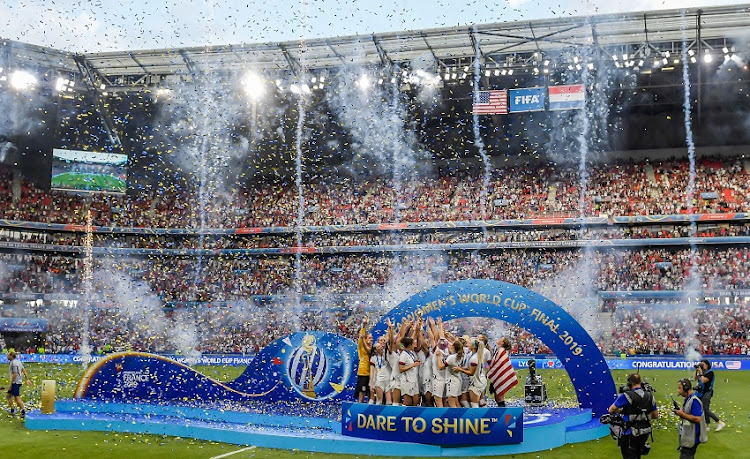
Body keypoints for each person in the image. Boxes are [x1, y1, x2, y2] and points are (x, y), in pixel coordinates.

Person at [608, 373, 658, 459]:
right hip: (644, 433)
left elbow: (611, 410)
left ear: (630, 384)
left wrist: (624, 411)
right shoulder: (650, 396)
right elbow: (655, 415)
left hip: (629, 434)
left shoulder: (627, 396)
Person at [674, 378, 708, 459]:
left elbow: (697, 418)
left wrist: (682, 414)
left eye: (679, 388)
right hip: (689, 436)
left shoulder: (694, 400)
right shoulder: (688, 399)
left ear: (686, 388)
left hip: (692, 437)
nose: (678, 391)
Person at [694, 360, 725, 432]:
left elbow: (704, 380)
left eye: (703, 364)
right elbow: (695, 378)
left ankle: (719, 422)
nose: (702, 366)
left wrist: (701, 373)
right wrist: (696, 371)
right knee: (703, 408)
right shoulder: (703, 372)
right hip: (700, 392)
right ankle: (707, 425)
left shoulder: (710, 372)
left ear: (707, 365)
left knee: (705, 409)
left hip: (707, 392)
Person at [6, 351, 30, 417]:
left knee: (17, 397)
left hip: (15, 382)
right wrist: (27, 379)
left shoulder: (14, 363)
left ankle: (23, 411)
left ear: (11, 356)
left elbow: (15, 374)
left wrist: (11, 384)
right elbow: (24, 370)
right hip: (18, 381)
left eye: (8, 355)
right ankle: (12, 410)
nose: (7, 356)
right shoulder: (18, 362)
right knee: (8, 396)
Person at [356, 318, 373, 403]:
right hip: (363, 372)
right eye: (370, 338)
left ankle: (368, 407)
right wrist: (364, 325)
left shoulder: (372, 348)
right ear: (365, 339)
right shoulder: (361, 346)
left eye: (372, 338)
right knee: (362, 391)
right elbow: (361, 336)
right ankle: (360, 405)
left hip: (371, 373)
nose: (371, 339)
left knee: (370, 391)